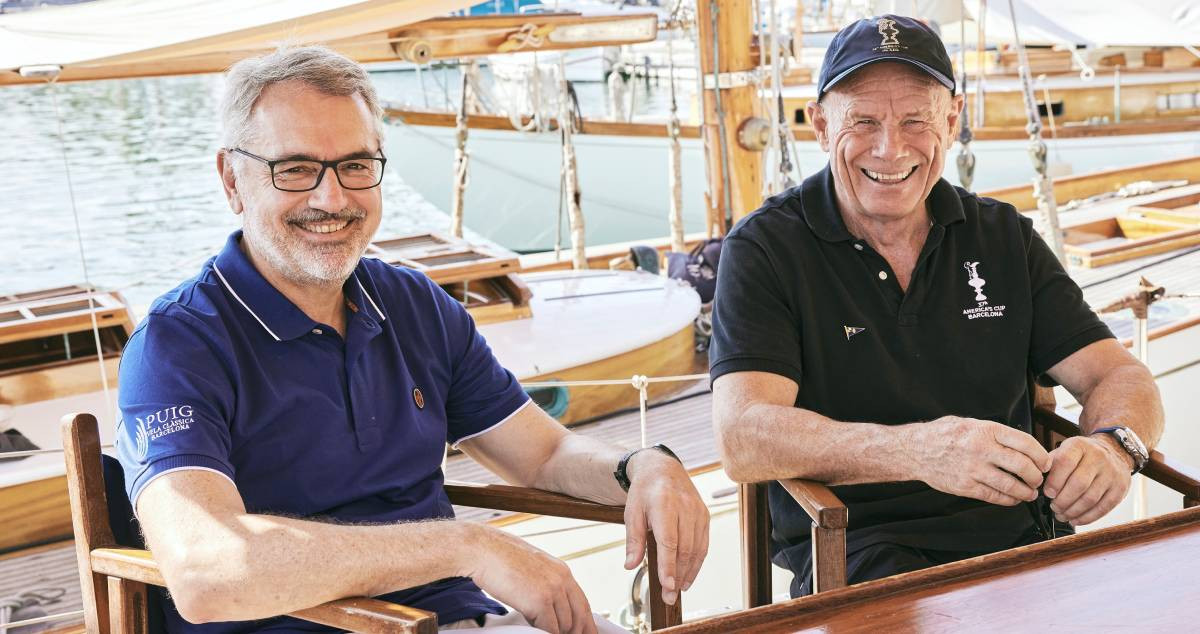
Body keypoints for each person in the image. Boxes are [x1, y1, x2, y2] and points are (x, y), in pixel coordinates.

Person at [115, 46, 709, 634]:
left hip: (458, 618)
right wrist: (465, 547)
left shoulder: (413, 304)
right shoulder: (178, 345)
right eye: (295, 169)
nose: (332, 198)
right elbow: (205, 569)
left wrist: (642, 467)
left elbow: (546, 455)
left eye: (355, 164)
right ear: (232, 179)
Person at [709, 14, 1163, 597]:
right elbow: (744, 436)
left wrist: (1114, 447)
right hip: (861, 554)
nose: (889, 148)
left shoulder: (1003, 235)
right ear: (820, 126)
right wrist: (920, 451)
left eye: (915, 120)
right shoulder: (766, 247)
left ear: (953, 120)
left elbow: (1120, 374)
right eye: (864, 121)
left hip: (1025, 540)